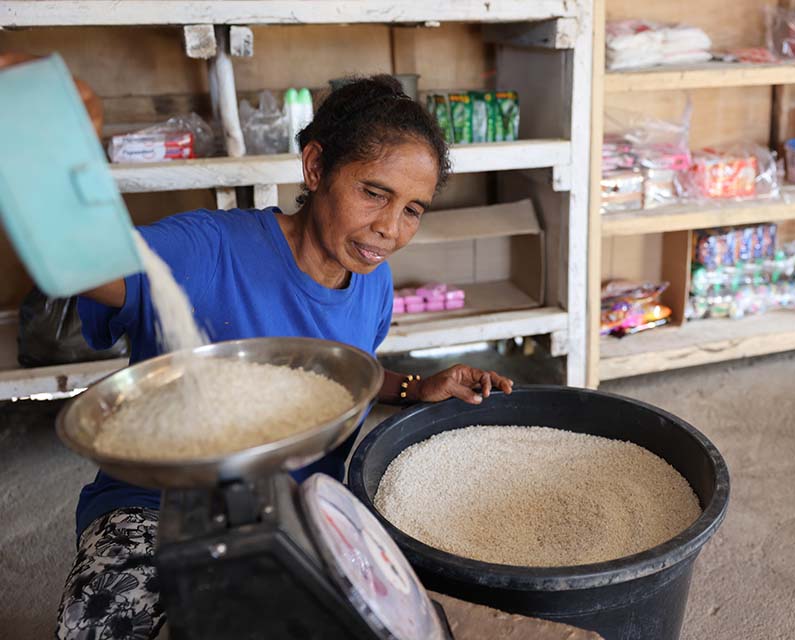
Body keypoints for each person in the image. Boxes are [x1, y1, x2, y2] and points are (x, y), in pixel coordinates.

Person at [55, 75, 513, 639]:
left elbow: (334, 377)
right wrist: (56, 150)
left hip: (299, 513)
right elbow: (78, 263)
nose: (390, 230)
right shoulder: (210, 249)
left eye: (413, 209)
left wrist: (411, 387)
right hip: (160, 509)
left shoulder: (372, 280)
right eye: (373, 193)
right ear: (315, 167)